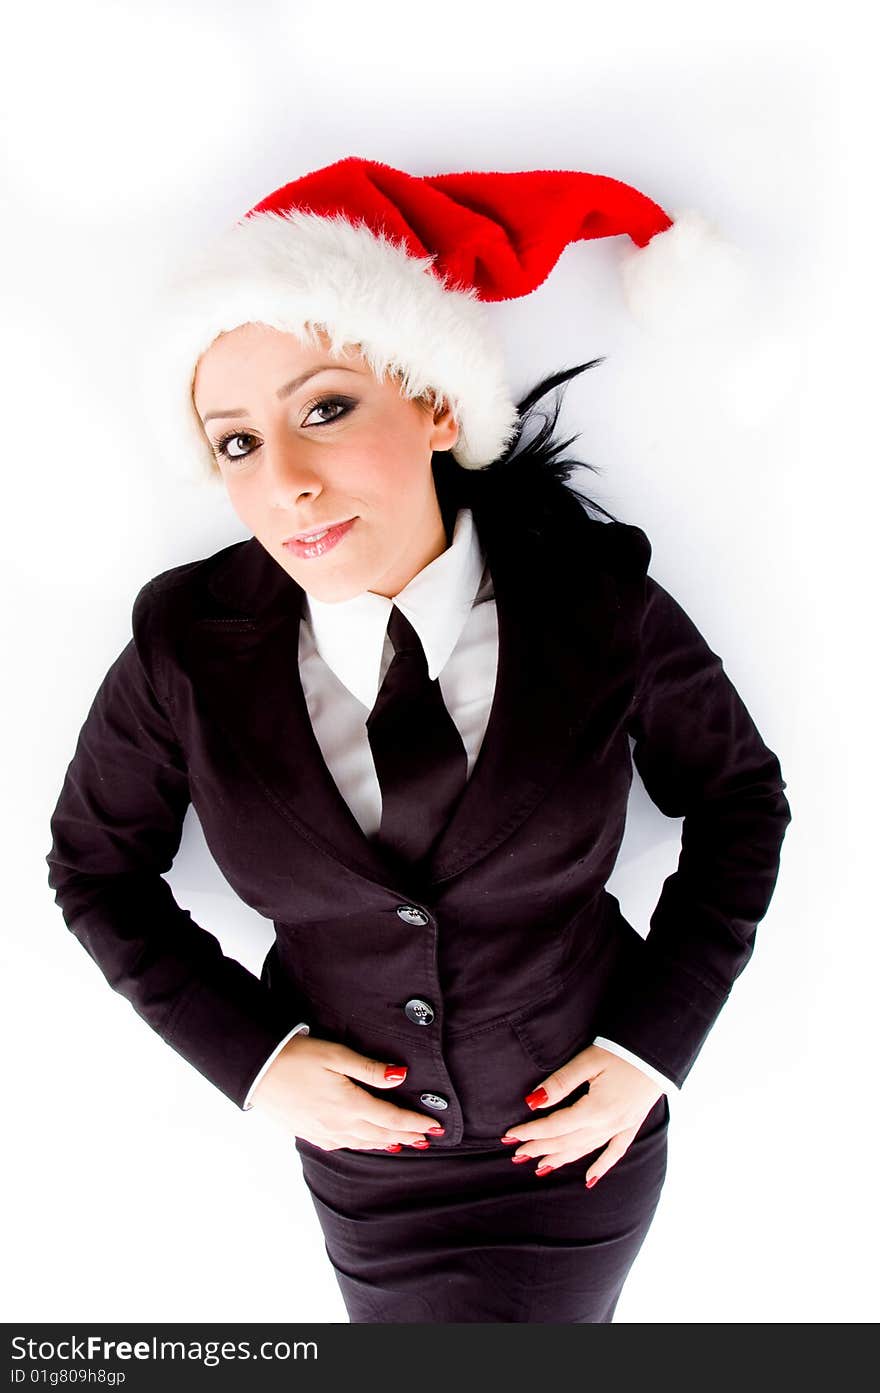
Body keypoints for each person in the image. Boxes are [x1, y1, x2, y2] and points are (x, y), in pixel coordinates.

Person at [45, 157, 792, 1323]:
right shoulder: (187, 644)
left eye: (326, 409)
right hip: (367, 1172)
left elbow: (739, 800)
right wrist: (251, 1059)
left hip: (576, 1150)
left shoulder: (595, 606)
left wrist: (651, 1048)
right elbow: (95, 869)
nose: (285, 480)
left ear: (436, 405)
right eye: (236, 443)